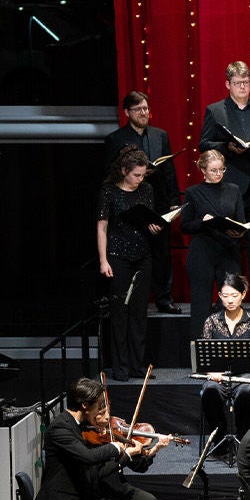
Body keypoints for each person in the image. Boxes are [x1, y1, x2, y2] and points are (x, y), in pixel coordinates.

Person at [31, 377, 163, 500]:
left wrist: (127, 454)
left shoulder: (77, 426)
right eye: (99, 406)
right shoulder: (60, 428)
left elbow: (94, 472)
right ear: (84, 405)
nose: (102, 412)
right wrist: (114, 447)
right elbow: (87, 457)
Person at [197, 61, 250, 299]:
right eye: (237, 83)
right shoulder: (216, 110)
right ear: (228, 84)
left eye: (246, 82)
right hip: (230, 186)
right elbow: (204, 143)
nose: (243, 87)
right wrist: (227, 146)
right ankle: (229, 294)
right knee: (229, 240)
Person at [105, 90, 179, 313]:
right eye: (138, 109)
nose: (143, 113)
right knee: (134, 249)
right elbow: (109, 174)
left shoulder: (160, 135)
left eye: (146, 108)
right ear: (127, 112)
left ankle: (164, 299)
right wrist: (134, 175)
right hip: (130, 203)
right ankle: (132, 300)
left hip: (158, 199)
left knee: (162, 251)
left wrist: (174, 201)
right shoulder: (115, 139)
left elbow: (169, 171)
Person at [96, 146, 157, 381]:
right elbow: (102, 227)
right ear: (124, 171)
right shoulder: (109, 192)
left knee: (139, 313)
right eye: (136, 175)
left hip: (142, 254)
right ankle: (120, 367)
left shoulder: (146, 190)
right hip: (118, 256)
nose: (140, 180)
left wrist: (155, 226)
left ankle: (137, 365)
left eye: (143, 175)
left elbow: (147, 219)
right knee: (120, 312)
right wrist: (103, 260)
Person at [182, 149, 245, 329]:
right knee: (201, 306)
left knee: (230, 302)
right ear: (203, 170)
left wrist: (240, 231)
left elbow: (241, 221)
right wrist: (203, 222)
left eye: (221, 169)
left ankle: (230, 348)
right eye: (214, 170)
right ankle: (200, 351)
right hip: (202, 252)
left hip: (228, 250)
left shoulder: (233, 190)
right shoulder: (193, 192)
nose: (218, 174)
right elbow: (185, 226)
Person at [197, 274, 250, 442]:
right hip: (218, 376)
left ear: (243, 294)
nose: (230, 300)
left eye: (234, 295)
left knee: (246, 393)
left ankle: (243, 440)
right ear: (219, 296)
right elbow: (205, 354)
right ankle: (219, 439)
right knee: (210, 391)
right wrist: (213, 372)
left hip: (246, 376)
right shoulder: (211, 321)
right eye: (225, 296)